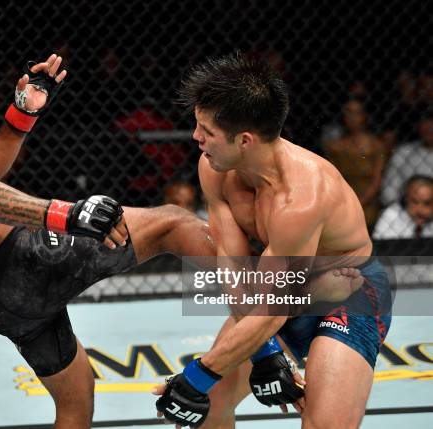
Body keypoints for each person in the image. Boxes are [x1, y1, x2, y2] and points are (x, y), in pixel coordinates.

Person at [0, 17, 220, 429]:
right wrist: (69, 215)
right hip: (30, 260)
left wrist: (22, 114)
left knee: (77, 396)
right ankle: (272, 321)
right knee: (176, 223)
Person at [154, 53, 391, 428]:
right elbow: (233, 271)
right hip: (279, 288)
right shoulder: (215, 167)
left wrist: (196, 378)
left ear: (245, 139)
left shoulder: (301, 199)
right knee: (208, 409)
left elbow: (274, 307)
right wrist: (265, 354)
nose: (196, 137)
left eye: (207, 130)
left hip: (350, 295)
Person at [323, 98, 386, 228]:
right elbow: (332, 178)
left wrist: (359, 203)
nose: (352, 117)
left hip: (368, 205)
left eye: (357, 113)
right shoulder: (335, 147)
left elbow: (376, 182)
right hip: (342, 202)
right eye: (348, 112)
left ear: (364, 116)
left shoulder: (376, 146)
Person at [380, 112, 433, 206]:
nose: (430, 127)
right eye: (426, 122)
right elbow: (389, 190)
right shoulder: (403, 152)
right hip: (407, 211)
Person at [373, 175, 433, 239]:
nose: (420, 209)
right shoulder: (392, 215)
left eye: (427, 203)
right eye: (414, 202)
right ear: (405, 199)